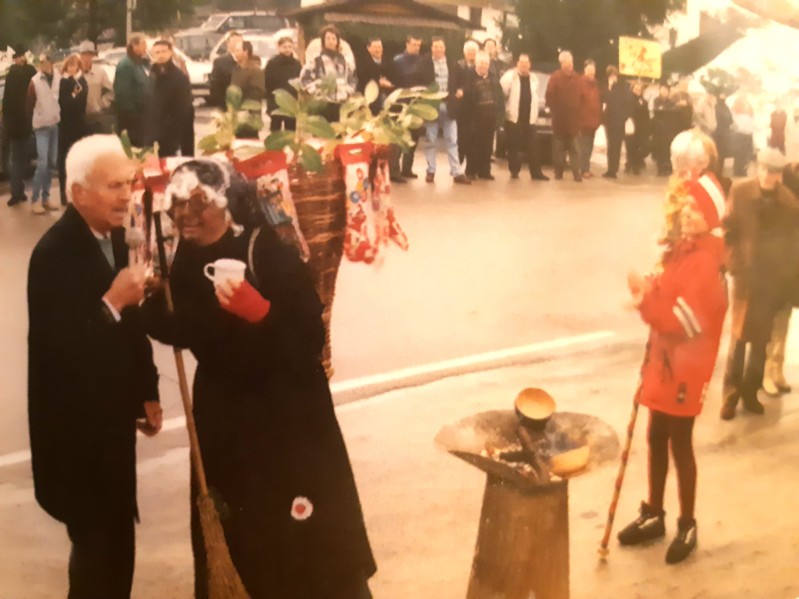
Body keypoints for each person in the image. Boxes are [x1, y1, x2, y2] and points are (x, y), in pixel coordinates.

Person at [143, 159, 376, 598]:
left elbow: (309, 335)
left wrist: (262, 314)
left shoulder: (265, 249)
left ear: (227, 203)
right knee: (242, 532)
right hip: (226, 422)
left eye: (198, 203)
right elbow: (187, 329)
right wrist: (148, 305)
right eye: (176, 205)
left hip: (285, 418)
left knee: (300, 535)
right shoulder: (186, 257)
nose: (185, 215)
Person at [28, 134, 162, 599]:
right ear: (78, 192)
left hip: (110, 432)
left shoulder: (115, 240)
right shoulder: (53, 254)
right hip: (75, 439)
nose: (126, 196)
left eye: (128, 184)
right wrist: (112, 301)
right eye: (112, 186)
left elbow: (132, 327)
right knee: (96, 553)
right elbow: (59, 352)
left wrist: (147, 389)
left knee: (118, 543)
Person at [618, 141, 728, 565]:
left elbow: (681, 323)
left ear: (711, 218)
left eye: (696, 211)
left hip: (685, 369)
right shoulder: (685, 249)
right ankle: (654, 513)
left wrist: (645, 300)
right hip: (667, 365)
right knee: (655, 435)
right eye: (686, 208)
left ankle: (686, 522)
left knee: (680, 444)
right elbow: (668, 285)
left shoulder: (704, 265)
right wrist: (651, 285)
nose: (687, 214)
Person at [721, 148, 799, 419]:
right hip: (745, 279)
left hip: (771, 283)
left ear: (780, 175)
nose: (768, 176)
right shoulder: (740, 192)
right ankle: (730, 397)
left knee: (760, 342)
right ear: (757, 168)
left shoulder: (788, 202)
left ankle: (751, 393)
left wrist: (787, 280)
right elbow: (727, 230)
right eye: (764, 169)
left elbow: (792, 245)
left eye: (774, 171)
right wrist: (734, 265)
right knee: (738, 340)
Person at [762, 161, 799, 397]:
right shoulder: (784, 173)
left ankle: (776, 369)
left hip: (795, 260)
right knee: (771, 316)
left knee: (784, 316)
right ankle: (765, 372)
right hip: (777, 258)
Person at [418, 37, 470, 185]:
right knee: (430, 140)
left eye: (441, 47)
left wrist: (461, 90)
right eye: (435, 47)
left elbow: (463, 81)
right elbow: (418, 81)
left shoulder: (453, 64)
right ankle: (431, 170)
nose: (438, 49)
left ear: (444, 48)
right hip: (431, 107)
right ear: (431, 48)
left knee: (452, 141)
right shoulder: (423, 63)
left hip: (449, 106)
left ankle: (456, 172)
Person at [500, 53, 549, 181]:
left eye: (526, 63)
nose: (524, 65)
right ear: (517, 64)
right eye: (521, 63)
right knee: (514, 147)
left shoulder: (533, 79)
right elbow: (501, 95)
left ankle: (536, 173)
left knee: (534, 146)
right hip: (513, 118)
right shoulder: (509, 77)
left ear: (529, 64)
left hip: (529, 119)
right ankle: (514, 171)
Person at [145, 40, 193, 157]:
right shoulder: (149, 74)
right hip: (152, 128)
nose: (160, 55)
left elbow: (185, 108)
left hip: (172, 129)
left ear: (170, 52)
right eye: (157, 52)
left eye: (164, 51)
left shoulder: (179, 77)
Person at [2, 46, 37, 207]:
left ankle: (18, 191)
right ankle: (17, 191)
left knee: (18, 160)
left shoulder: (12, 75)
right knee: (19, 160)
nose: (21, 59)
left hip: (16, 124)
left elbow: (7, 103)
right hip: (23, 123)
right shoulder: (26, 73)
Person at [28, 53, 61, 214]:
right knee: (42, 163)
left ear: (51, 62)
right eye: (40, 62)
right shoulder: (35, 81)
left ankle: (46, 198)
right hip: (41, 126)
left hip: (54, 123)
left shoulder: (58, 77)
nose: (42, 64)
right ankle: (35, 200)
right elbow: (29, 104)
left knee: (51, 162)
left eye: (44, 61)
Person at [463, 52, 503, 180]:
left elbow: (500, 98)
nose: (483, 66)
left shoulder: (494, 78)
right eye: (481, 63)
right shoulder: (469, 76)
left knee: (487, 145)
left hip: (490, 117)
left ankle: (485, 171)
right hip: (475, 117)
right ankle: (471, 171)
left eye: (486, 64)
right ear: (476, 63)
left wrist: (499, 117)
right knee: (473, 145)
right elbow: (467, 96)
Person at [545, 50, 583, 182]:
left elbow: (582, 98)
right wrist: (555, 110)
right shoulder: (555, 77)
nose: (570, 66)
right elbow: (549, 96)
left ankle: (576, 173)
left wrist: (579, 113)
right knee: (558, 149)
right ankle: (558, 172)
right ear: (562, 64)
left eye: (571, 63)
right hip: (560, 120)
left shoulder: (577, 78)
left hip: (574, 121)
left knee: (575, 149)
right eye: (567, 64)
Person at [58, 54, 88, 206]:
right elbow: (64, 104)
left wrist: (74, 98)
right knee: (64, 160)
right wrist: (73, 95)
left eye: (74, 65)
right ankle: (65, 195)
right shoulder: (62, 82)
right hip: (65, 126)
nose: (71, 68)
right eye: (69, 65)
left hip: (79, 125)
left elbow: (81, 104)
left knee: (79, 160)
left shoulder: (82, 81)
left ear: (78, 67)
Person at [392, 35, 423, 180]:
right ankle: (394, 170)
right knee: (399, 138)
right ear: (407, 44)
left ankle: (407, 168)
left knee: (414, 138)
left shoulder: (422, 61)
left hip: (416, 104)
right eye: (414, 44)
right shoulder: (398, 61)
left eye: (418, 45)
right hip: (400, 103)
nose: (416, 47)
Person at [114, 34, 151, 148]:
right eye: (143, 44)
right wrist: (134, 116)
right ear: (134, 46)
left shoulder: (138, 63)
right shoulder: (126, 65)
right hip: (131, 119)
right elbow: (122, 93)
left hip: (141, 116)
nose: (146, 48)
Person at [264, 36, 301, 132]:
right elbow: (267, 83)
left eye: (289, 47)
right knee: (275, 132)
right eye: (284, 47)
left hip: (291, 103)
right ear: (279, 48)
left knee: (290, 132)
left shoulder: (297, 64)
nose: (287, 49)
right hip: (275, 103)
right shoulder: (272, 63)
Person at [78, 40, 114, 135]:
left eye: (89, 55)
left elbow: (111, 91)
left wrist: (103, 103)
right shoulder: (74, 73)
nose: (86, 58)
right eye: (83, 54)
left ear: (93, 56)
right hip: (78, 118)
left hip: (96, 116)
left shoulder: (100, 72)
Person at [602, 66, 631, 179]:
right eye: (609, 75)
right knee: (610, 146)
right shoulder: (608, 87)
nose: (612, 77)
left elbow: (627, 103)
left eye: (613, 75)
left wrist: (624, 117)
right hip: (609, 121)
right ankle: (610, 169)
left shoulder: (623, 87)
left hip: (619, 122)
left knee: (616, 146)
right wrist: (609, 87)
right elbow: (605, 99)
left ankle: (614, 169)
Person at [356, 38, 395, 116]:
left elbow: (393, 78)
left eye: (380, 47)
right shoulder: (362, 63)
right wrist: (378, 83)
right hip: (369, 98)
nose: (378, 50)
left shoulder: (388, 62)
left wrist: (390, 84)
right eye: (375, 47)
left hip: (387, 96)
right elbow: (363, 80)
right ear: (368, 48)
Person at [457, 39, 480, 164]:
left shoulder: (480, 66)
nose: (471, 53)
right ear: (464, 52)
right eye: (469, 51)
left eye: (474, 51)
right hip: (462, 107)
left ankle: (471, 167)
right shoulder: (458, 65)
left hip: (475, 106)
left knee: (474, 138)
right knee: (461, 137)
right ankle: (458, 163)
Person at [578, 60, 602, 178]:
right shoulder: (580, 83)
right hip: (583, 121)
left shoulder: (595, 84)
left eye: (593, 71)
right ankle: (583, 169)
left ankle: (586, 168)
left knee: (590, 146)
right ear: (585, 71)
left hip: (593, 121)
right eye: (589, 71)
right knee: (584, 147)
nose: (591, 73)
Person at [209, 31, 243, 109]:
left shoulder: (247, 61)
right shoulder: (220, 62)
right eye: (234, 41)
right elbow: (215, 85)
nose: (237, 44)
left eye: (240, 41)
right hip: (226, 106)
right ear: (228, 43)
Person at [624, 80, 650, 175]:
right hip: (630, 126)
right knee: (629, 146)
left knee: (637, 147)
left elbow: (646, 116)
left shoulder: (644, 101)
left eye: (639, 89)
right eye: (635, 89)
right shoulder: (628, 100)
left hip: (640, 128)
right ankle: (629, 164)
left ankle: (636, 165)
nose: (637, 91)